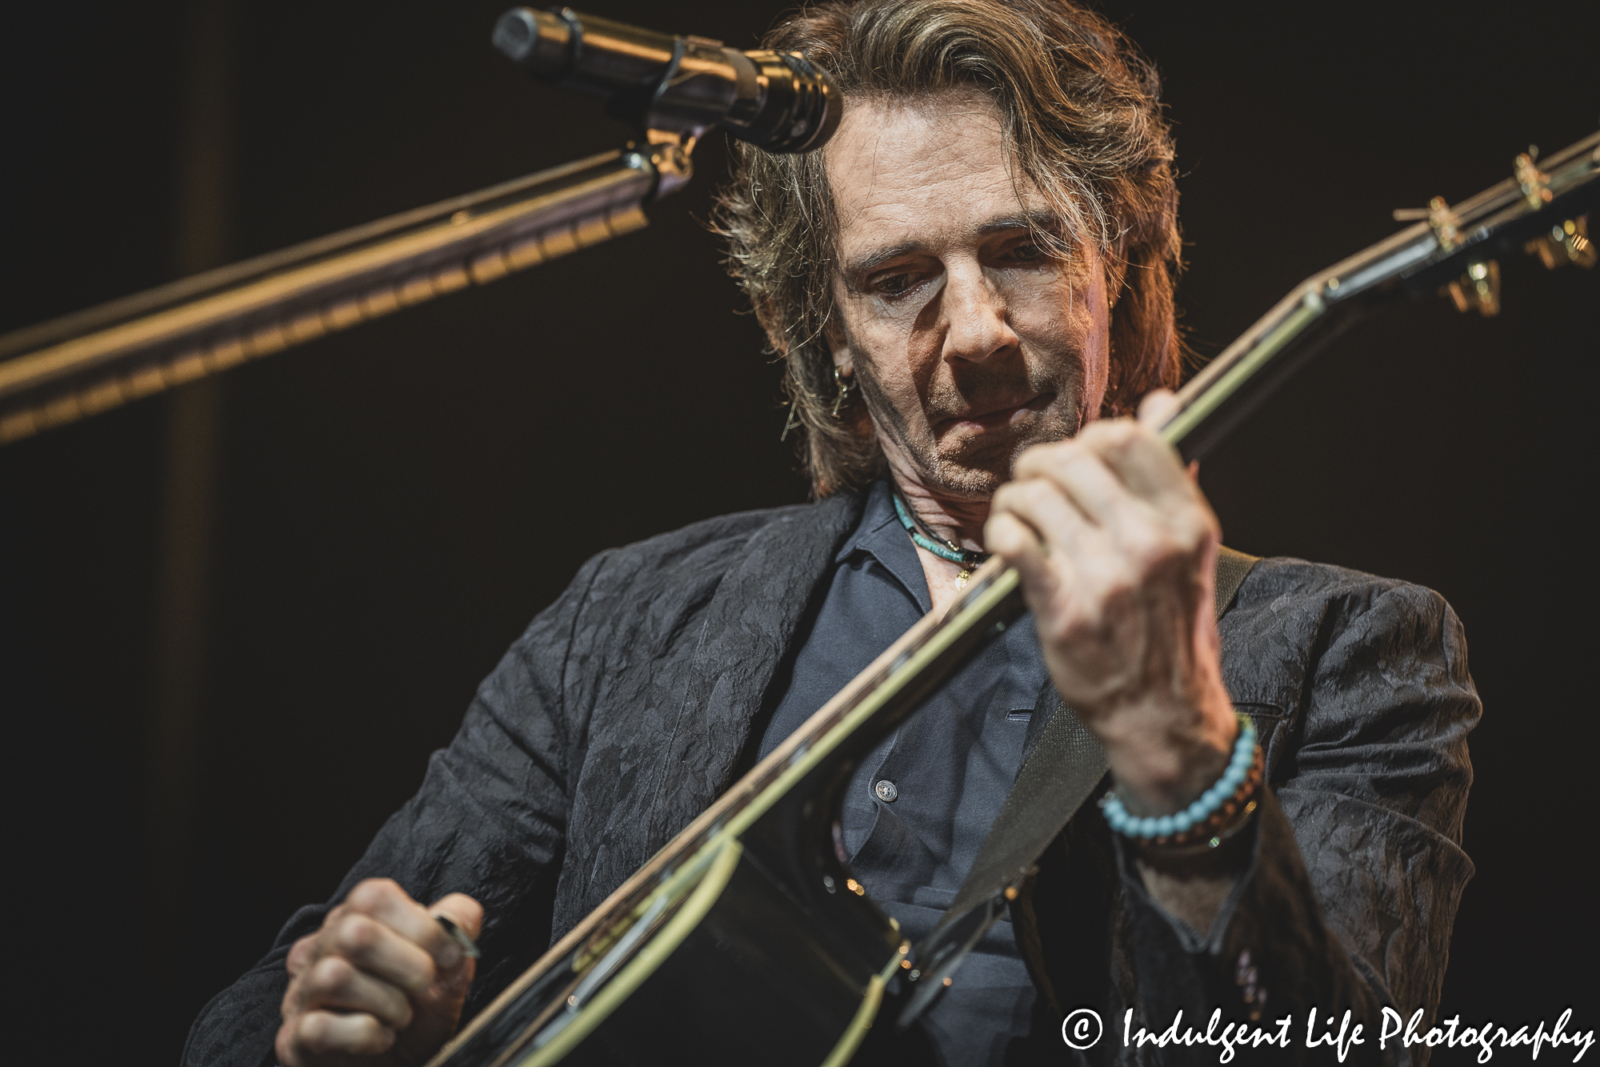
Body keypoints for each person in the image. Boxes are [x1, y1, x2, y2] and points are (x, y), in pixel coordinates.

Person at [184, 1, 1478, 1064]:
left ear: (1115, 266)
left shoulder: (1351, 647)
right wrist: (334, 1025)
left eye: (1021, 250)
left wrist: (1185, 757)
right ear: (822, 333)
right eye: (898, 279)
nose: (975, 332)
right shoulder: (628, 621)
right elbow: (241, 1022)